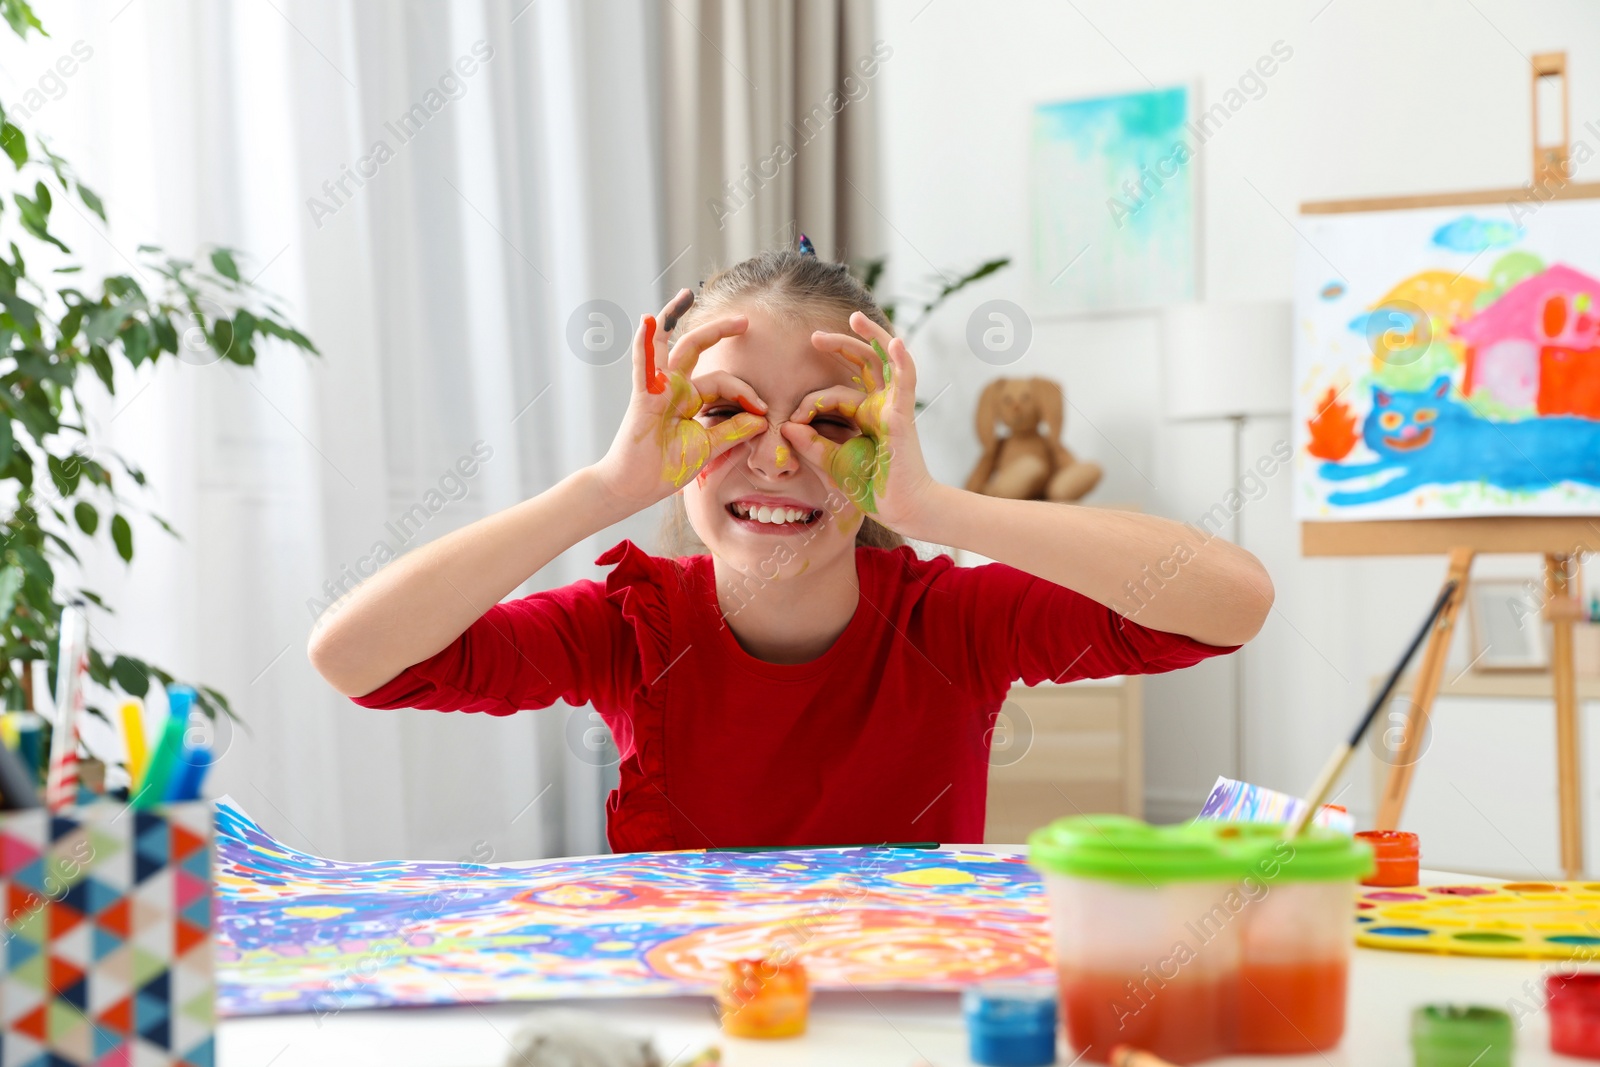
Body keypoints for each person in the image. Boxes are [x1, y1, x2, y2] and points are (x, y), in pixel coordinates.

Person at [307, 245, 1274, 851]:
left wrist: (938, 506)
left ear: (883, 437)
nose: (775, 458)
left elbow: (1232, 601)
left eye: (831, 425)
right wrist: (604, 489)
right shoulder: (632, 627)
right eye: (726, 414)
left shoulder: (951, 622)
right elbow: (353, 656)